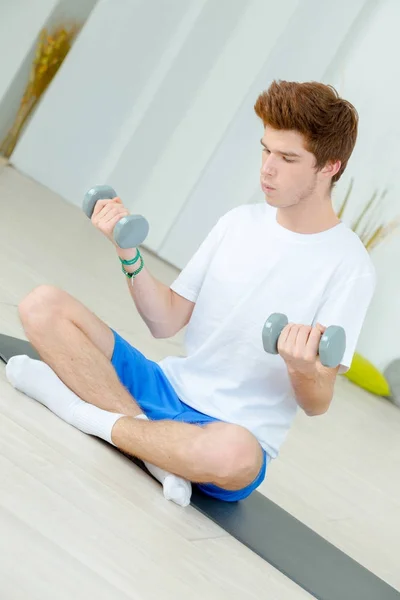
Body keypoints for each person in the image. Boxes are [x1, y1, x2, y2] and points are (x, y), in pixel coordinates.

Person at [6, 80, 376, 507]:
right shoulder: (239, 222)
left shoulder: (350, 266)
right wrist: (128, 253)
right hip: (162, 388)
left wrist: (299, 367)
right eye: (266, 150)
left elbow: (317, 403)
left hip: (228, 431)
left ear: (330, 166)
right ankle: (154, 452)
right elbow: (164, 321)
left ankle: (80, 412)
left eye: (288, 158)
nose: (267, 169)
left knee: (233, 456)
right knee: (41, 306)